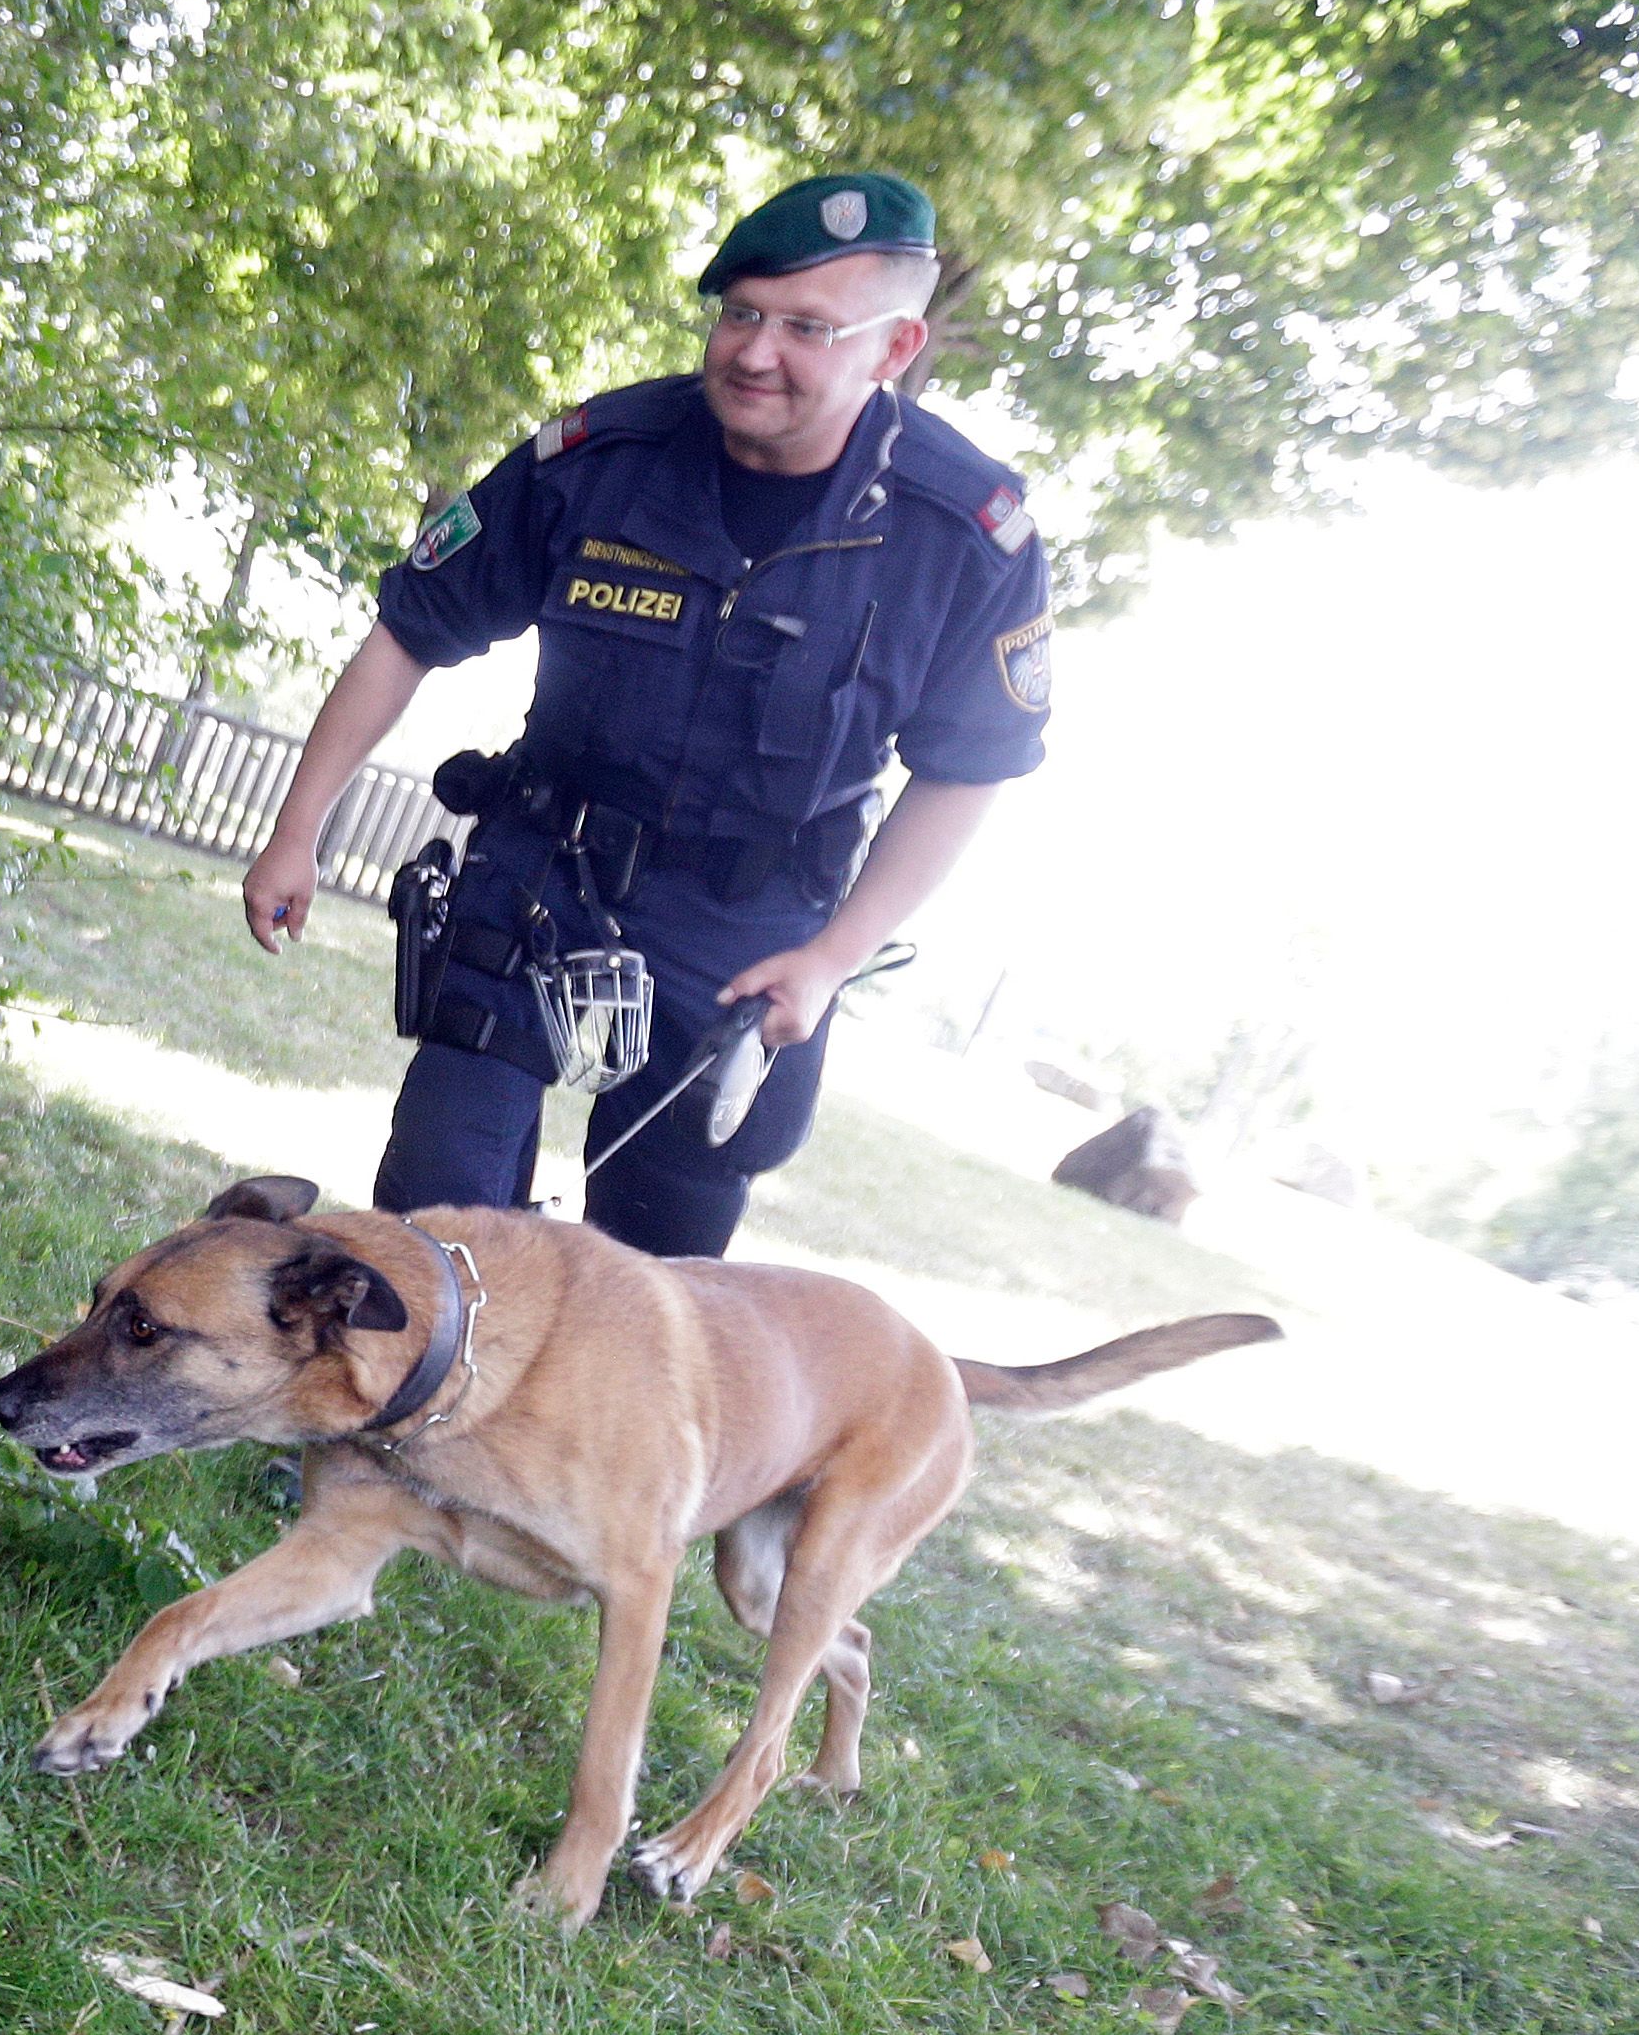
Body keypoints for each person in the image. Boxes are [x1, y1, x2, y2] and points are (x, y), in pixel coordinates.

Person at [239, 171, 1053, 1259]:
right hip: (541, 875)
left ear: (893, 348)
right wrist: (298, 828)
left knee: (662, 1277)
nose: (754, 351)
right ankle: (388, 1429)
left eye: (806, 327)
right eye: (741, 312)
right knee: (432, 1219)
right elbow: (409, 628)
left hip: (751, 931)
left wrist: (834, 954)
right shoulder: (601, 457)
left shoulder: (963, 533)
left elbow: (968, 767)